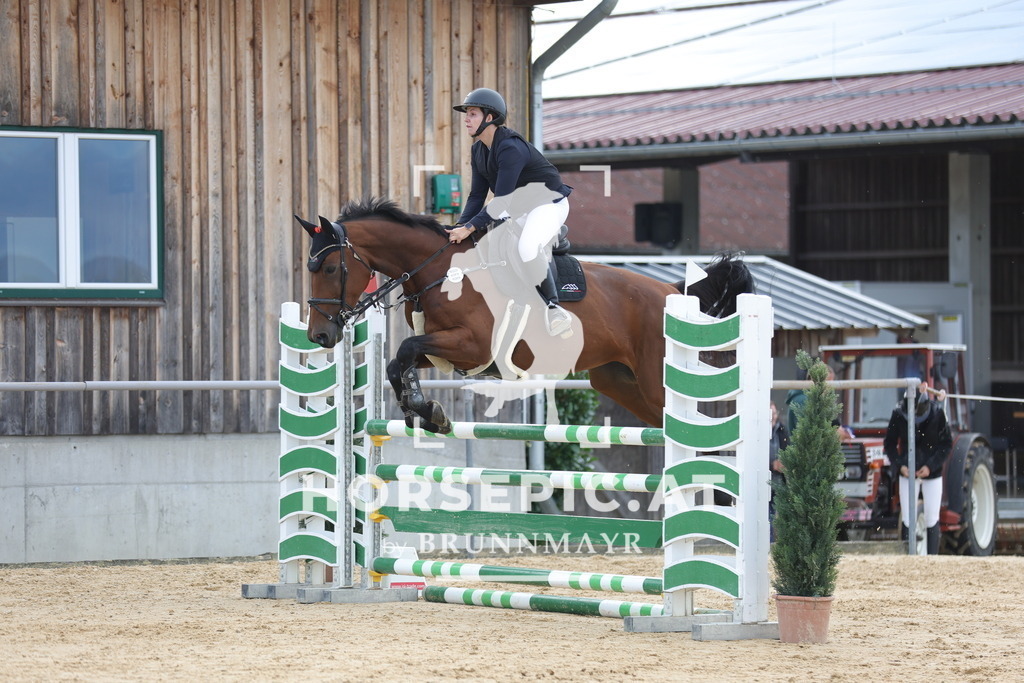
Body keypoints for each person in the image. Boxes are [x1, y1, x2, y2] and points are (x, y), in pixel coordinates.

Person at [445, 88, 574, 336]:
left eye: (472, 114)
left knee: (527, 247)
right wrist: (459, 227)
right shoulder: (478, 150)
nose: (466, 119)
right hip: (519, 208)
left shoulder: (510, 148)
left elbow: (501, 201)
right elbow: (476, 196)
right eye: (467, 114)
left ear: (490, 117)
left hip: (547, 204)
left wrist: (469, 227)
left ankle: (553, 308)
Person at [883, 383, 952, 555]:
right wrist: (900, 466)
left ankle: (932, 556)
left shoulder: (937, 413)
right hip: (907, 471)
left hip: (931, 471)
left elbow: (946, 444)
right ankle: (909, 556)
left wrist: (930, 466)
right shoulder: (898, 414)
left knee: (932, 516)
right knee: (907, 516)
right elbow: (889, 444)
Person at [785, 364, 854, 440]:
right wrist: (835, 433)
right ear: (815, 381)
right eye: (827, 383)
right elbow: (810, 433)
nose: (830, 389)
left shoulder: (818, 400)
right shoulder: (803, 400)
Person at [768, 400, 790, 541]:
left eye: (774, 413)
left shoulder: (782, 430)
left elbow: (788, 450)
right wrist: (771, 465)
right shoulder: (756, 433)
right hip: (762, 482)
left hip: (779, 482)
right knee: (766, 517)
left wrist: (786, 463)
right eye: (770, 414)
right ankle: (768, 543)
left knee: (776, 516)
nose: (773, 417)